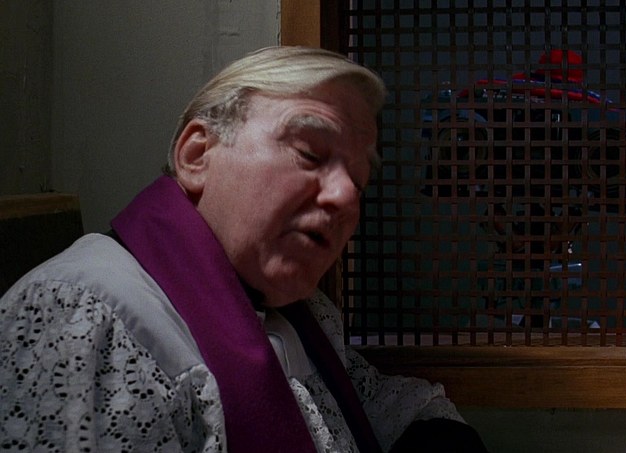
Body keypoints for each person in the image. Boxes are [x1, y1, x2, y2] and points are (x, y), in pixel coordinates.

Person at [0, 46, 488, 453]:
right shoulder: (84, 317)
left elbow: (376, 400)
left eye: (358, 182)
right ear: (197, 155)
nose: (346, 198)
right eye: (310, 153)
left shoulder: (302, 312)